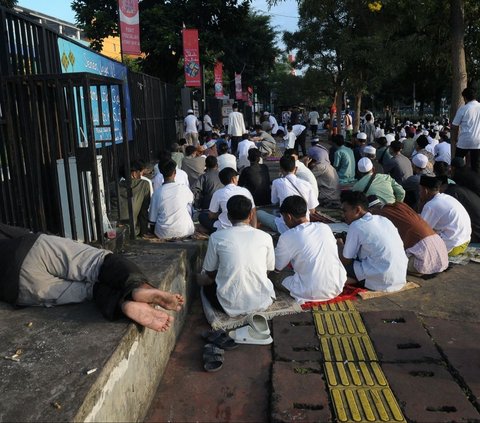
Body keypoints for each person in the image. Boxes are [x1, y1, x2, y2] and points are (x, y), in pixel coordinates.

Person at [0, 223, 184, 331]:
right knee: (98, 263)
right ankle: (138, 288)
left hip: (17, 286)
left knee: (90, 291)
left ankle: (122, 304)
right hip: (26, 248)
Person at [198, 195, 275, 317]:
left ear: (228, 216)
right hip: (261, 301)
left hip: (228, 304)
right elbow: (269, 269)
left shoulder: (216, 237)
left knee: (204, 284)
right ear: (250, 215)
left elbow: (210, 272)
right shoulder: (265, 237)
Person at [275, 196, 346, 303]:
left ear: (288, 217)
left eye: (284, 218)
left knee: (274, 275)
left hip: (310, 291)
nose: (284, 222)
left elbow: (277, 267)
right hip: (337, 286)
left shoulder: (287, 236)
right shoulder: (324, 227)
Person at [338, 191, 407, 292]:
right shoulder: (384, 219)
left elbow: (346, 260)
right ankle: (352, 279)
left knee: (333, 263)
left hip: (380, 279)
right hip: (399, 276)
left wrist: (339, 244)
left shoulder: (356, 225)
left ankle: (348, 280)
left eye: (345, 211)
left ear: (357, 210)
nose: (343, 215)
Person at [368, 197, 449, 276]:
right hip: (443, 254)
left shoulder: (380, 216)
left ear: (370, 210)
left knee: (387, 261)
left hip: (424, 262)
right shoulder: (400, 206)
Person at [257, 155, 318, 233]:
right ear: (295, 169)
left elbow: (274, 201)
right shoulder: (306, 184)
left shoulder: (277, 182)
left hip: (284, 226)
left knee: (258, 213)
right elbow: (312, 210)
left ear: (281, 169)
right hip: (305, 224)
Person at [419, 175, 472, 256]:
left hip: (454, 247)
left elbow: (420, 231)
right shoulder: (446, 197)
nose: (419, 193)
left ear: (425, 190)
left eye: (420, 190)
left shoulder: (431, 205)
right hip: (465, 241)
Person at [199, 167, 256, 234]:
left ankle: (211, 230)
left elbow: (211, 215)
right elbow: (253, 211)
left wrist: (221, 214)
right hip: (244, 224)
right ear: (233, 179)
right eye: (236, 177)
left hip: (225, 227)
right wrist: (254, 229)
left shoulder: (218, 193)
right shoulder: (245, 191)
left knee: (202, 216)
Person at [148, 160, 195, 240]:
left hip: (164, 233)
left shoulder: (157, 193)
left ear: (162, 173)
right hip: (185, 230)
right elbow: (192, 201)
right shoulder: (183, 188)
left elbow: (152, 220)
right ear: (175, 173)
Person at [116, 160, 151, 237]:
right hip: (131, 230)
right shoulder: (143, 184)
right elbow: (143, 211)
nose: (141, 175)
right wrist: (144, 232)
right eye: (140, 173)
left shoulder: (113, 187)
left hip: (114, 228)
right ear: (134, 173)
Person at [451, 86, 480, 174]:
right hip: (478, 142)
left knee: (457, 164)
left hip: (464, 141)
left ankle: (456, 182)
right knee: (476, 166)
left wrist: (455, 139)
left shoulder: (463, 108)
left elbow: (455, 126)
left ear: (465, 98)